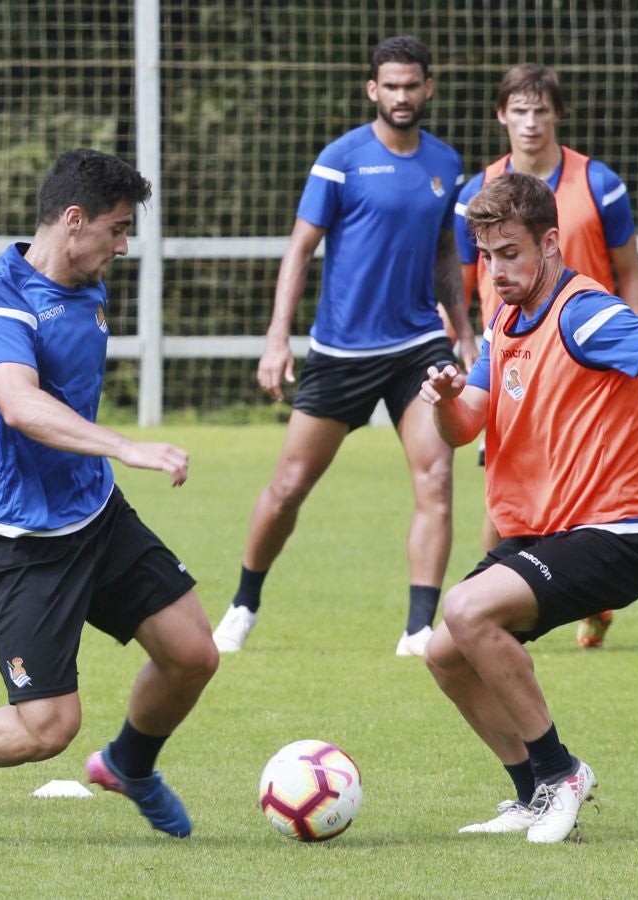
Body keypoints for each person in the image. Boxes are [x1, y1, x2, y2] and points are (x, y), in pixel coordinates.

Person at [0, 148, 219, 843]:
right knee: (48, 728)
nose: (123, 244)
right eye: (116, 229)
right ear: (74, 221)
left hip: (95, 516)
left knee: (194, 653)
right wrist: (127, 446)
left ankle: (129, 764)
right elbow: (21, 406)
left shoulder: (87, 282)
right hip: (19, 541)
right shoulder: (0, 301)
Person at [420, 172, 638, 843]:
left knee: (466, 609)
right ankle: (531, 793)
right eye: (487, 257)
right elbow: (469, 422)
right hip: (547, 535)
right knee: (444, 652)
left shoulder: (586, 313)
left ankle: (562, 774)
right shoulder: (502, 318)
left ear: (551, 243)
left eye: (512, 254)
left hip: (615, 533)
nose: (496, 272)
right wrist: (444, 402)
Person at [212, 35, 475, 658]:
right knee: (289, 486)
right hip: (340, 353)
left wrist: (463, 331)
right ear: (372, 90)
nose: (402, 96)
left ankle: (418, 631)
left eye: (413, 85)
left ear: (428, 88)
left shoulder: (446, 163)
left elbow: (445, 254)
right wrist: (278, 337)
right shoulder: (341, 158)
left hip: (419, 345)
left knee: (436, 479)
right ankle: (244, 603)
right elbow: (300, 249)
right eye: (391, 86)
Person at [455, 63, 638, 650]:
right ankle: (498, 600)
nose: (531, 121)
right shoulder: (479, 192)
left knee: (584, 484)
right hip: (509, 354)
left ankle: (533, 600)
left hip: (581, 360)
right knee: (504, 477)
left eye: (542, 110)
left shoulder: (598, 183)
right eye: (520, 109)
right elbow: (460, 279)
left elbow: (630, 273)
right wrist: (469, 349)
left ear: (557, 116)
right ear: (501, 116)